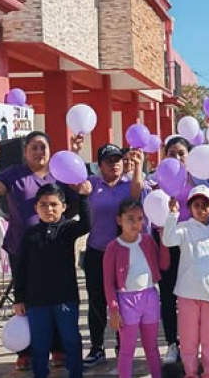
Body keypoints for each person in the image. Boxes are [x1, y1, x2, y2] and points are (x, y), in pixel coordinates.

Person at [0, 131, 80, 370]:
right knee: (26, 300)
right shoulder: (14, 174)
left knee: (56, 298)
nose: (39, 152)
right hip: (23, 248)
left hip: (55, 247)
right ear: (25, 152)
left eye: (43, 147)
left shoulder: (59, 173)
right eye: (34, 147)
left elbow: (76, 201)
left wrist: (75, 154)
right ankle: (25, 350)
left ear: (50, 151)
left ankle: (58, 349)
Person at [13, 182, 92, 378]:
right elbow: (21, 269)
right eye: (44, 205)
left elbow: (87, 224)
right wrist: (19, 298)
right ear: (36, 208)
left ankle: (76, 374)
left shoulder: (68, 230)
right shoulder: (30, 235)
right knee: (40, 344)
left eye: (54, 204)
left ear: (63, 207)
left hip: (65, 298)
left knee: (71, 340)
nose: (49, 209)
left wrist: (83, 198)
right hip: (37, 301)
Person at [156, 136, 209, 365]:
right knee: (168, 295)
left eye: (181, 153)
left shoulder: (201, 183)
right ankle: (173, 343)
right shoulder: (157, 182)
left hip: (195, 246)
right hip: (168, 243)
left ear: (189, 156)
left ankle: (196, 346)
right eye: (171, 153)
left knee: (194, 297)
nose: (176, 157)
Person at [83, 144, 147, 367]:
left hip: (123, 253)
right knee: (97, 301)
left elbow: (137, 196)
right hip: (96, 251)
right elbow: (74, 182)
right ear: (100, 165)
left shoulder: (129, 185)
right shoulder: (92, 184)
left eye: (118, 159)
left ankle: (123, 344)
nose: (114, 164)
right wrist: (74, 150)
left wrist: (138, 165)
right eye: (109, 160)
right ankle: (97, 347)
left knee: (122, 300)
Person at [163, 185, 209, 378]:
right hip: (187, 294)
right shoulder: (184, 229)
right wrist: (172, 214)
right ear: (190, 207)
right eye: (197, 205)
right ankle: (190, 373)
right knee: (188, 340)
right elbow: (168, 240)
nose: (201, 210)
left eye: (206, 205)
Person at [103, 199, 165, 378]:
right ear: (119, 220)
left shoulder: (147, 240)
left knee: (152, 347)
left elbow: (164, 264)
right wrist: (114, 310)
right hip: (127, 301)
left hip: (150, 298)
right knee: (127, 349)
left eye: (139, 219)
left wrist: (164, 242)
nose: (135, 223)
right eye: (130, 218)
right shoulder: (112, 247)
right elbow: (108, 283)